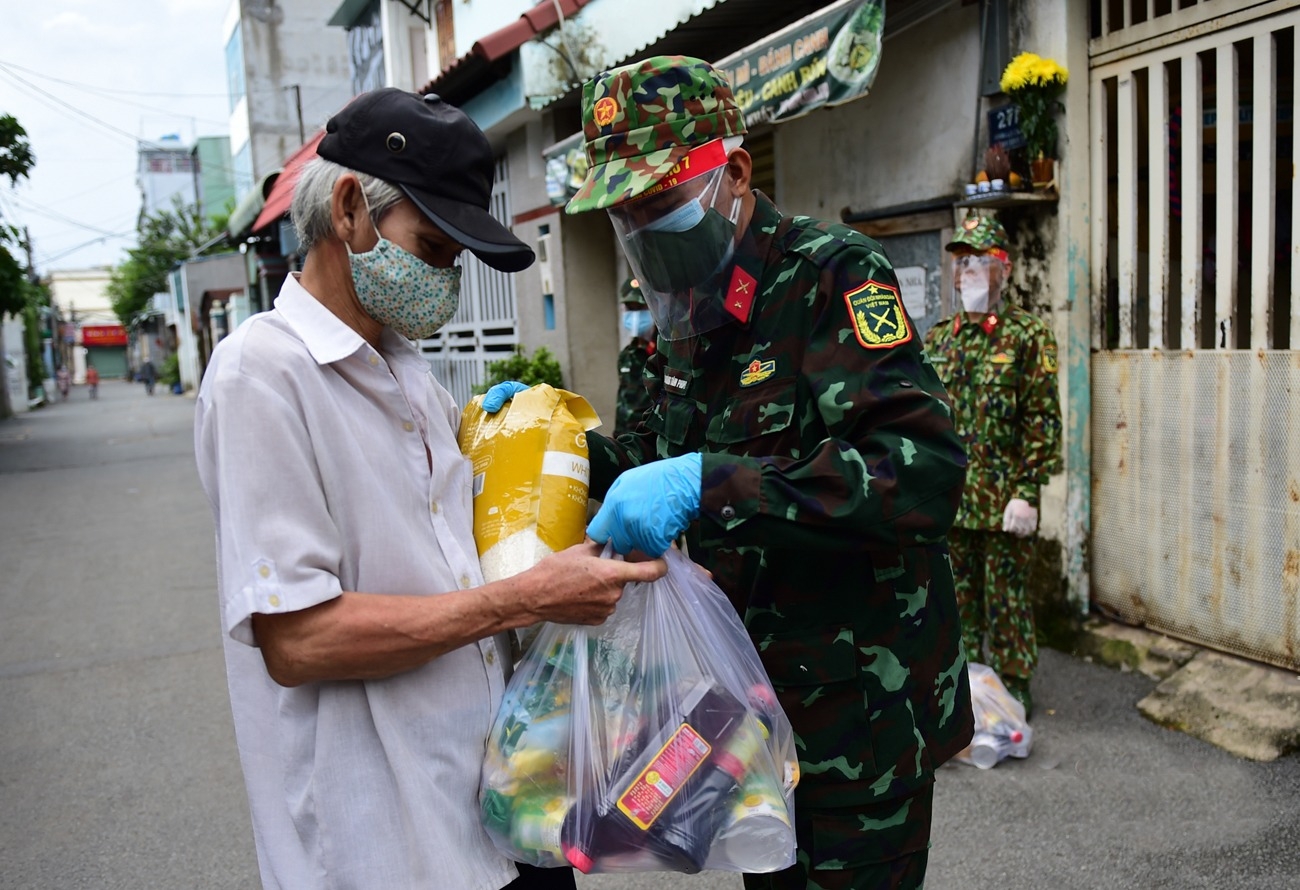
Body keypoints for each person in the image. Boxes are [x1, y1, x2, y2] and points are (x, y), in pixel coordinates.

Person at [192, 87, 666, 890]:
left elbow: (457, 556)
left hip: (498, 809)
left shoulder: (408, 371)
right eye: (434, 250)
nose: (445, 283)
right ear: (349, 209)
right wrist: (527, 598)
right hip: (384, 845)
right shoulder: (261, 378)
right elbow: (299, 641)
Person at [563, 57, 973, 890]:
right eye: (624, 212)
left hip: (858, 732)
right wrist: (562, 447)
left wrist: (712, 482)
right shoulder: (666, 329)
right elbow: (649, 474)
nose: (640, 229)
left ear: (734, 172)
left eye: (656, 202)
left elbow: (919, 472)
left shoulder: (830, 276)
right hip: (742, 727)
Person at [922, 212, 1062, 717]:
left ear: (1004, 269)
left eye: (981, 261)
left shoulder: (1028, 337)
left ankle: (1014, 687)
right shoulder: (939, 340)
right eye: (962, 262)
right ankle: (965, 694)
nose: (970, 272)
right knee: (954, 603)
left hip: (1005, 502)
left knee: (1007, 601)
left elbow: (1043, 420)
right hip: (951, 503)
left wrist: (1029, 489)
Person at [613, 276, 655, 437]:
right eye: (630, 308)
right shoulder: (627, 355)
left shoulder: (665, 353)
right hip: (626, 440)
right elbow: (622, 402)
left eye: (641, 307)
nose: (635, 315)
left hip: (651, 442)